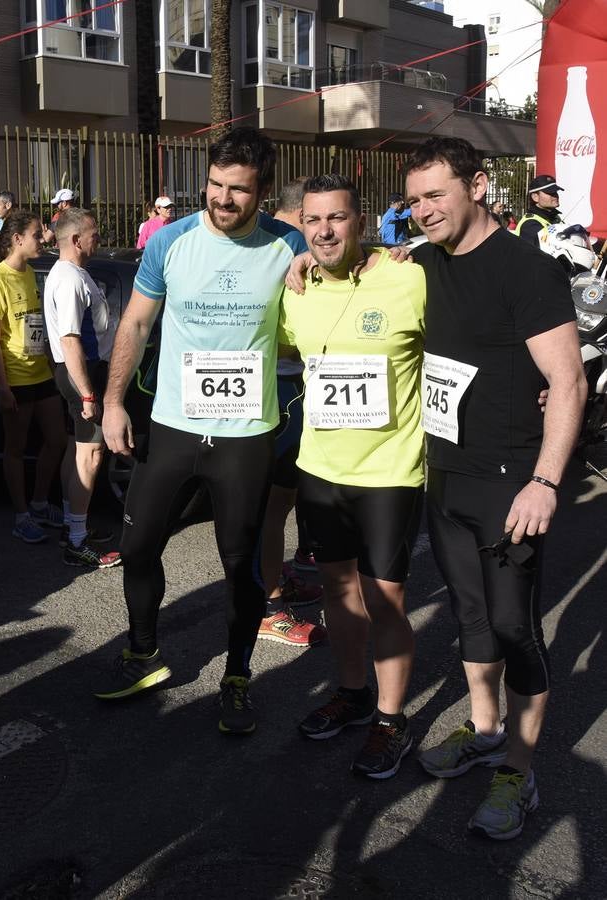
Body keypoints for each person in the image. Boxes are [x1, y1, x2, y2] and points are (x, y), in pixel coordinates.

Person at [94, 127, 308, 736]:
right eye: (214, 185)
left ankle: (237, 677)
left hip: (245, 436)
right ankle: (143, 654)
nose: (221, 199)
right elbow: (135, 325)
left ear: (261, 192)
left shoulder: (287, 244)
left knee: (239, 565)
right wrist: (112, 404)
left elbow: (343, 266)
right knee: (137, 546)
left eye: (237, 190)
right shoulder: (169, 241)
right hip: (174, 426)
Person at [405, 137, 584, 839]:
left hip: (512, 481)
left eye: (436, 195)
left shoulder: (527, 269)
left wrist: (546, 480)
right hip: (445, 474)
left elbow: (567, 380)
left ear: (478, 186)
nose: (423, 211)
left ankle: (519, 770)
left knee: (513, 626)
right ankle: (484, 730)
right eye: (415, 200)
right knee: (470, 616)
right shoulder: (419, 263)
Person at [278, 174, 427, 779]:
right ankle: (353, 693)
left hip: (391, 471)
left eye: (336, 218)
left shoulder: (409, 276)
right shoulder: (296, 289)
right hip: (320, 468)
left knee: (383, 599)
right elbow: (282, 350)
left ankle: (392, 720)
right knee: (338, 596)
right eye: (313, 221)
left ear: (360, 221)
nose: (324, 231)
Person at [259, 175, 324, 644]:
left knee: (280, 498)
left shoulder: (262, 236)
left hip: (272, 386)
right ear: (304, 212)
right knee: (273, 502)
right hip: (285, 386)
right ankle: (270, 604)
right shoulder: (294, 243)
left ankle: (276, 581)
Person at [0, 210, 67, 544]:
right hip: (14, 377)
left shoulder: (29, 273)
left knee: (57, 439)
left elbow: (34, 324)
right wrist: (3, 387)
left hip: (40, 372)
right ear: (17, 239)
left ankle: (41, 503)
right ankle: (21, 515)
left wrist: (49, 360)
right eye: (35, 234)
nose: (42, 239)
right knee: (15, 448)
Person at [43, 208, 121, 568]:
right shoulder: (69, 279)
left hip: (80, 371)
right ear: (75, 240)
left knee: (77, 450)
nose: (98, 240)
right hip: (81, 372)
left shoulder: (73, 273)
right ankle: (76, 540)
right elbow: (71, 339)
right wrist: (88, 394)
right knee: (90, 455)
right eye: (94, 234)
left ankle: (73, 525)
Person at [513, 174, 563, 247]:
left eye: (555, 192)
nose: (555, 196)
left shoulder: (554, 217)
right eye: (550, 193)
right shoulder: (529, 224)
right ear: (535, 197)